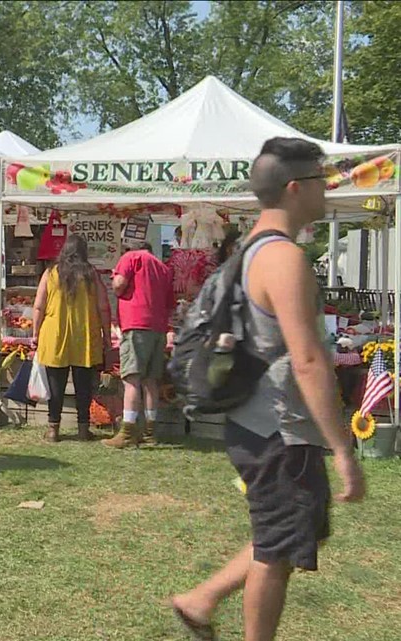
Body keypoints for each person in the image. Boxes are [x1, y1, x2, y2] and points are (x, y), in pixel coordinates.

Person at [170, 138, 367, 641]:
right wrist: (343, 449)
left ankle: (202, 599)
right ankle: (209, 605)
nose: (330, 190)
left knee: (294, 529)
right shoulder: (283, 258)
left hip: (261, 426)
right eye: (324, 181)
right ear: (296, 188)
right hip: (278, 430)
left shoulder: (251, 250)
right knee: (278, 550)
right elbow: (308, 359)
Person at [33, 235, 112, 442]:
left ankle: (53, 429)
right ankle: (83, 429)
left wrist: (35, 333)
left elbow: (39, 306)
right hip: (84, 335)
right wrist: (106, 336)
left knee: (55, 384)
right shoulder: (91, 274)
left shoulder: (51, 273)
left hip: (55, 334)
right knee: (84, 385)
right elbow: (104, 306)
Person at [104, 241, 174, 448]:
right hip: (158, 327)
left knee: (131, 378)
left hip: (136, 324)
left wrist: (118, 289)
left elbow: (118, 284)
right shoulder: (163, 268)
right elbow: (170, 303)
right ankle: (150, 432)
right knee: (151, 381)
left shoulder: (131, 258)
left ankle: (127, 432)